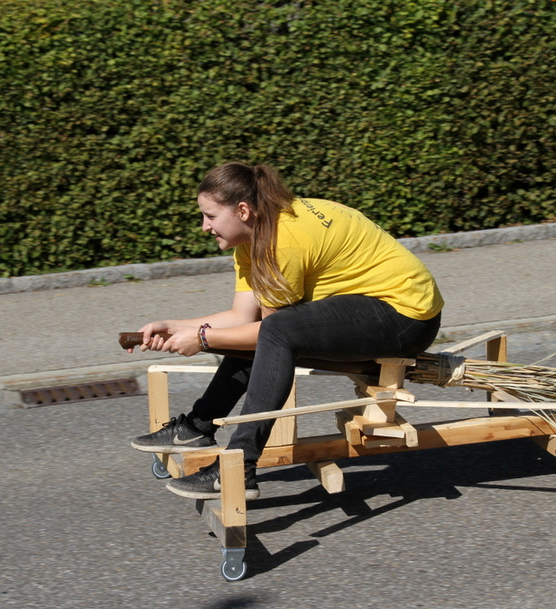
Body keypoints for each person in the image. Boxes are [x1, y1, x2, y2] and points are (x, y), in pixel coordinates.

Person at [127, 161, 444, 499]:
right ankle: (197, 427)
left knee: (277, 332)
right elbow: (241, 317)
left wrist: (203, 339)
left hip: (407, 318)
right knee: (274, 332)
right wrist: (175, 326)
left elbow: (268, 332)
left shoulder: (282, 242)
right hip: (372, 307)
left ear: (243, 210)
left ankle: (238, 467)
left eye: (210, 216)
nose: (204, 226)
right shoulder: (255, 233)